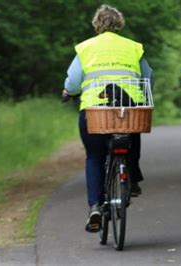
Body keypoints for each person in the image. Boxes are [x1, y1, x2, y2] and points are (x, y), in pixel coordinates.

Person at [62, 4, 153, 233]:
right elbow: (148, 78)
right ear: (119, 24)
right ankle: (130, 179)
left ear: (96, 24)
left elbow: (73, 83)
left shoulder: (85, 48)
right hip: (127, 108)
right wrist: (139, 95)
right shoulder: (133, 47)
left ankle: (94, 206)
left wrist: (69, 93)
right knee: (131, 134)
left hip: (94, 109)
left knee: (94, 156)